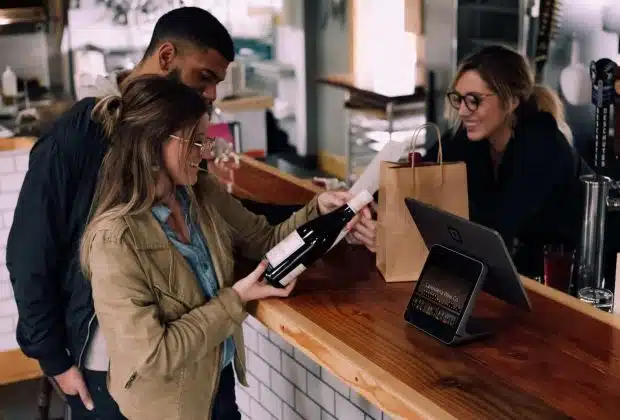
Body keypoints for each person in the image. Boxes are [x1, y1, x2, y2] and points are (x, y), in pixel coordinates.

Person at [6, 7, 375, 419]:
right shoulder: (79, 145)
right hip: (116, 372)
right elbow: (29, 254)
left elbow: (255, 232)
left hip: (203, 368)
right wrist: (54, 358)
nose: (213, 94)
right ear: (166, 59)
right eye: (205, 78)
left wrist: (320, 212)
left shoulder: (191, 186)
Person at [80, 74, 368, 419]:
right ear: (154, 144)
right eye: (195, 140)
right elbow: (153, 356)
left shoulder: (200, 193)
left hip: (217, 381)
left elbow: (265, 240)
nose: (205, 152)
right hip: (168, 408)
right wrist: (236, 300)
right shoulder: (115, 241)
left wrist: (318, 211)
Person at [426, 45, 588, 277]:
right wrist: (366, 206)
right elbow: (420, 168)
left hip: (561, 279)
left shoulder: (541, 140)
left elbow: (499, 231)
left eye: (474, 100)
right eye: (458, 99)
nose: (462, 111)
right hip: (515, 272)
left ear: (511, 101)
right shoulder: (472, 135)